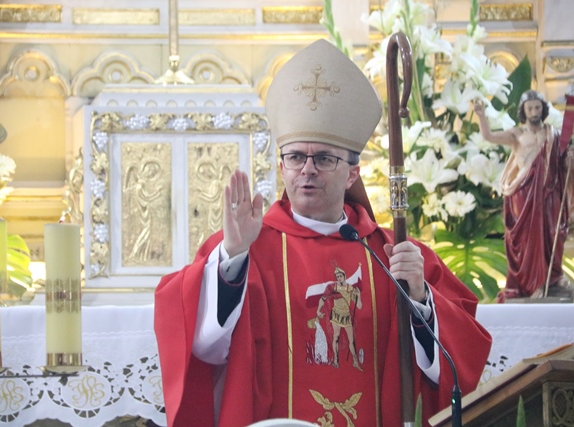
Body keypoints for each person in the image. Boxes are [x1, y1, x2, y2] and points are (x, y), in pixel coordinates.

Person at [155, 39, 492, 427]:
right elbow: (199, 342)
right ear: (282, 167)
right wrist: (231, 260)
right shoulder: (247, 247)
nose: (307, 169)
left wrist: (419, 296)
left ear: (352, 173)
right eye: (296, 157)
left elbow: (464, 356)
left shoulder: (392, 254)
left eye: (324, 158)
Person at [474, 91, 574, 300]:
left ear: (543, 109)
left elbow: (562, 163)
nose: (534, 112)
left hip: (549, 191)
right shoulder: (516, 134)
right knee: (527, 239)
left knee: (554, 232)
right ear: (523, 111)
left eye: (537, 107)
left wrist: (569, 160)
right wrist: (481, 116)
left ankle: (553, 278)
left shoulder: (553, 134)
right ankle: (530, 283)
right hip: (523, 192)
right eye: (530, 108)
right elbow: (489, 136)